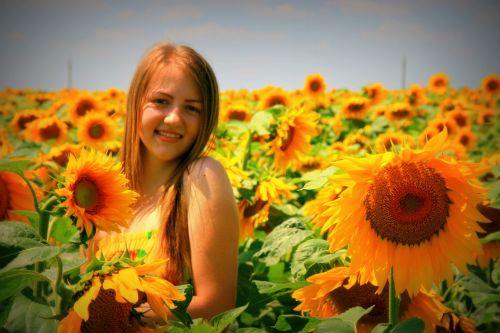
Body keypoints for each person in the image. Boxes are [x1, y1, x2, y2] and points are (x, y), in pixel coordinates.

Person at [89, 42, 240, 325]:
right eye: (161, 101)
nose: (173, 118)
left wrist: (128, 315)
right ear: (136, 103)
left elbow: (217, 306)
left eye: (192, 108)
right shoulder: (102, 197)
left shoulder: (201, 177)